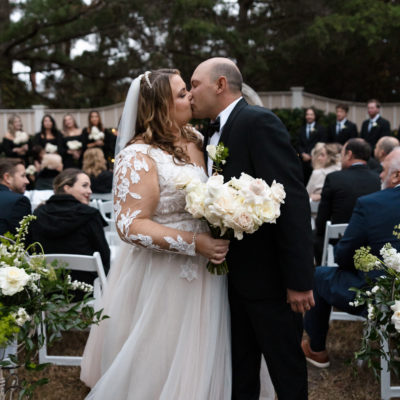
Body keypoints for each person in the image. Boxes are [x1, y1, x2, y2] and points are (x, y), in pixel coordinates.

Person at [80, 69, 231, 399]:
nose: (189, 96)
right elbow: (130, 226)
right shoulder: (138, 155)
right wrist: (195, 243)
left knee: (205, 348)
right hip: (164, 274)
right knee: (161, 353)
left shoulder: (197, 139)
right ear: (158, 106)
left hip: (210, 269)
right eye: (180, 94)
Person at [190, 57, 314, 400]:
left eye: (194, 84)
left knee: (285, 372)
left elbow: (292, 201)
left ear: (220, 85)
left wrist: (300, 280)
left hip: (271, 281)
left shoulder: (258, 122)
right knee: (240, 374)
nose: (189, 93)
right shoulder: (209, 134)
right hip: (231, 280)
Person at [302, 146, 400, 368]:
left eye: (383, 170)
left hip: (381, 299)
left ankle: (317, 351)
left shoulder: (373, 204)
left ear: (396, 175)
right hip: (395, 299)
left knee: (318, 276)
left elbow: (343, 256)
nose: (380, 176)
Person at [30, 168, 110, 284]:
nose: (90, 191)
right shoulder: (89, 215)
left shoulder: (38, 214)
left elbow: (30, 251)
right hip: (86, 288)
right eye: (84, 186)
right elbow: (104, 255)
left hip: (46, 286)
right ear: (67, 188)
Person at [314, 138, 381, 264]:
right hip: (370, 242)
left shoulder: (334, 178)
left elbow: (322, 220)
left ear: (349, 154)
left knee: (315, 236)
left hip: (339, 243)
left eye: (342, 154)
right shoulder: (377, 179)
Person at [0, 158, 31, 235]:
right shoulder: (18, 201)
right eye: (23, 176)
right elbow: (23, 239)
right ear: (7, 177)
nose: (27, 181)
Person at [297, 107, 327, 184]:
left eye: (311, 114)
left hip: (315, 161)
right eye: (307, 114)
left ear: (315, 116)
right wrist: (302, 154)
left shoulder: (321, 129)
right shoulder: (301, 129)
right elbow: (298, 144)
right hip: (303, 162)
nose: (309, 116)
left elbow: (322, 143)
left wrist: (311, 155)